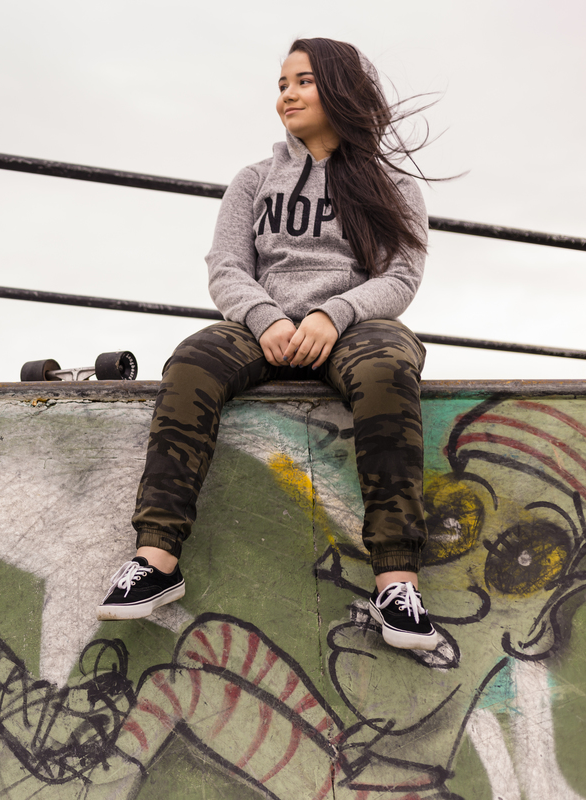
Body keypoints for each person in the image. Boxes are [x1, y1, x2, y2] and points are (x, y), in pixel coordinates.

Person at [96, 37, 439, 651]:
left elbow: (401, 277)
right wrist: (265, 318)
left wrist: (334, 314)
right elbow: (227, 266)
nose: (287, 95)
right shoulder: (254, 180)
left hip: (355, 327)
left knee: (388, 369)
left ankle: (396, 583)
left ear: (341, 90)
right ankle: (156, 560)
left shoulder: (393, 186)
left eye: (303, 81)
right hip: (265, 327)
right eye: (282, 85)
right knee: (192, 360)